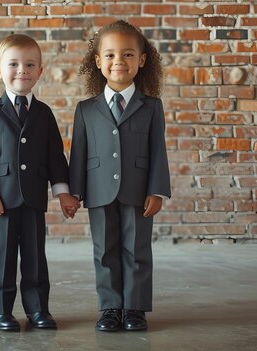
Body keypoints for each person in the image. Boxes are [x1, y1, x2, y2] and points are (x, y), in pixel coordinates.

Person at [69, 20, 171, 332]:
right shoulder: (86, 109)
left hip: (139, 191)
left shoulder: (152, 107)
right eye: (111, 55)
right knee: (104, 251)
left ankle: (135, 308)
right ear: (98, 62)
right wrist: (74, 192)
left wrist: (158, 190)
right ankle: (111, 308)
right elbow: (79, 154)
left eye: (128, 55)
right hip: (98, 191)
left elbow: (157, 149)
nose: (119, 62)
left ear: (142, 60)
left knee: (138, 249)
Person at [0, 34, 80, 332]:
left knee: (35, 257)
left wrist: (62, 193)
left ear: (40, 71)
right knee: (3, 255)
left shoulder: (44, 113)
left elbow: (55, 157)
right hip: (3, 199)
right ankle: (0, 311)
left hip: (34, 197)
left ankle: (37, 310)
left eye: (30, 64)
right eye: (13, 64)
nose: (22, 70)